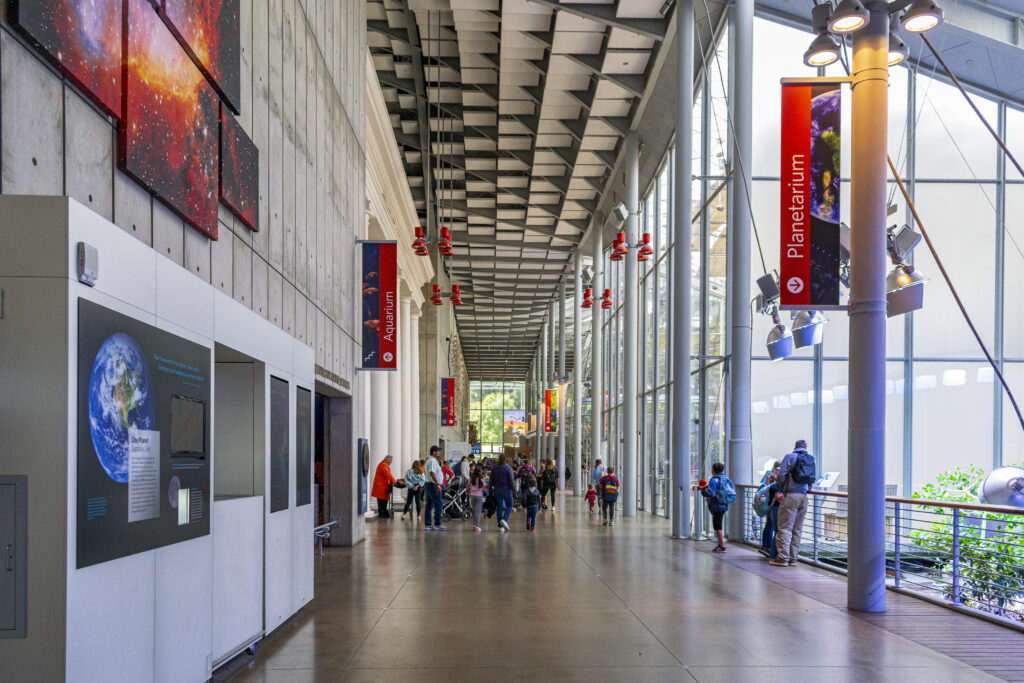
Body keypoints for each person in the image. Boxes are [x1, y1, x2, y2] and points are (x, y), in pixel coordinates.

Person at [771, 439, 816, 567]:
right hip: (803, 496)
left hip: (790, 495)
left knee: (785, 528)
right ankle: (793, 558)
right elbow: (811, 478)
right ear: (805, 448)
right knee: (797, 529)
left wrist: (781, 486)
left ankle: (783, 558)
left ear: (795, 447)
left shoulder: (789, 457)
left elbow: (781, 475)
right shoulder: (810, 458)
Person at [700, 462, 734, 552]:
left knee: (717, 526)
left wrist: (703, 491)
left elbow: (711, 493)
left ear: (713, 470)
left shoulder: (714, 480)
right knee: (718, 524)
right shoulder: (725, 478)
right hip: (724, 504)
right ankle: (720, 544)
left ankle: (722, 546)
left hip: (716, 506)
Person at [757, 462, 781, 557]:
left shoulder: (768, 475)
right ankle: (771, 549)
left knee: (768, 525)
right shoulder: (777, 478)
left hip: (767, 504)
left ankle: (765, 546)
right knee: (773, 527)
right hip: (774, 504)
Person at [490, 453, 515, 531]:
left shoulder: (494, 468)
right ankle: (504, 519)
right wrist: (515, 492)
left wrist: (490, 489)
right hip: (506, 490)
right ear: (505, 460)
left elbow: (491, 479)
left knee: (499, 507)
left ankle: (500, 527)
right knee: (510, 505)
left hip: (497, 490)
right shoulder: (508, 468)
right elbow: (512, 481)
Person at [424, 446, 446, 531]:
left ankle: (428, 524)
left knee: (429, 505)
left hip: (429, 484)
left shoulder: (431, 460)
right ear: (434, 452)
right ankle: (437, 524)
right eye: (438, 451)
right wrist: (437, 484)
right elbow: (432, 473)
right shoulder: (432, 461)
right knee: (439, 504)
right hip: (433, 485)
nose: (439, 452)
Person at [468, 464, 487, 532]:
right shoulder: (481, 479)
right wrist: (481, 490)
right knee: (478, 512)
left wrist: (472, 489)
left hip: (472, 496)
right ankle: (476, 526)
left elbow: (467, 487)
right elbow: (485, 489)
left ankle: (474, 525)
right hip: (479, 496)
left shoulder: (471, 478)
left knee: (474, 511)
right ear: (480, 472)